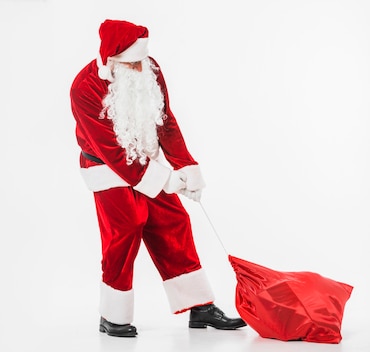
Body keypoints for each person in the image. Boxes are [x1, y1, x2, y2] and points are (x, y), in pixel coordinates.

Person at [69, 19, 246, 337]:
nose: (140, 67)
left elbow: (165, 122)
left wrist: (186, 169)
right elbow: (111, 151)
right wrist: (164, 180)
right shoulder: (84, 88)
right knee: (126, 226)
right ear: (113, 60)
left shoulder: (150, 68)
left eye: (143, 58)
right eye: (132, 62)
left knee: (174, 221)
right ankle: (113, 315)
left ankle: (200, 306)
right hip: (106, 169)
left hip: (146, 160)